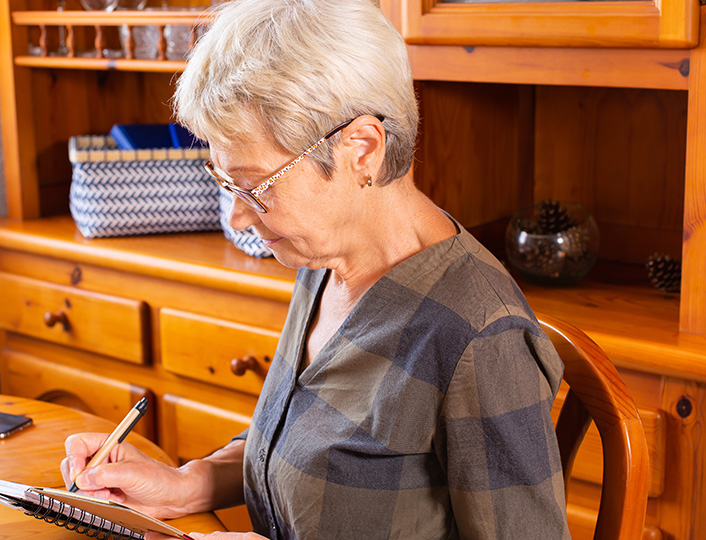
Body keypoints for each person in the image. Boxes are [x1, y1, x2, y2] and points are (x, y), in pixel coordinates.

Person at [61, 0, 571, 538]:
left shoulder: (479, 337)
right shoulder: (323, 257)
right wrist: (189, 482)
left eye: (255, 185)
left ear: (361, 149)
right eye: (225, 180)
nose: (237, 214)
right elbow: (309, 444)